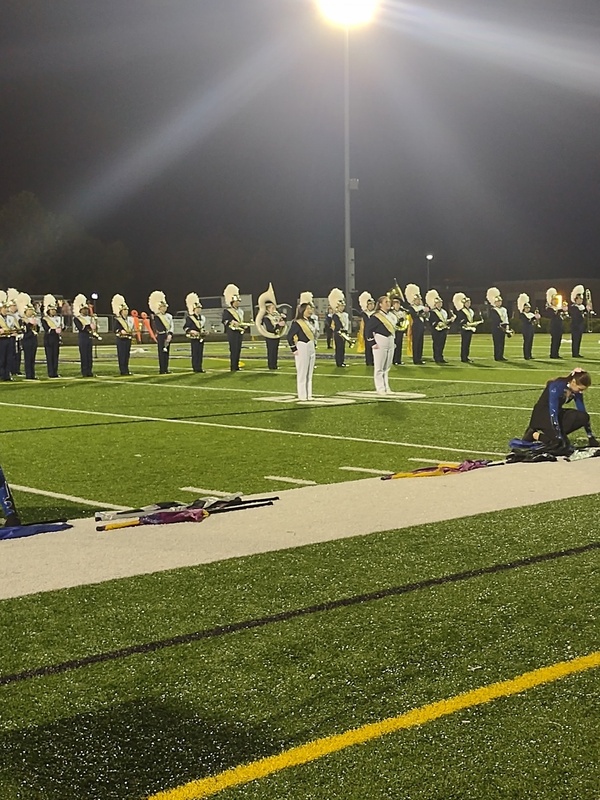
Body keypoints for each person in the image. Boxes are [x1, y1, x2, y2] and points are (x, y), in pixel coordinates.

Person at [522, 369, 599, 452]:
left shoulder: (576, 391)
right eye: (580, 389)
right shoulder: (556, 386)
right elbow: (553, 413)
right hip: (542, 415)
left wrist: (590, 436)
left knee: (583, 417)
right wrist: (559, 436)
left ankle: (554, 436)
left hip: (556, 412)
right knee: (560, 445)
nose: (581, 392)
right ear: (573, 381)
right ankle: (534, 434)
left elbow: (582, 410)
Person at [287, 300, 318, 401]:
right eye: (308, 309)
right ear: (302, 310)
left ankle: (309, 394)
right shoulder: (297, 322)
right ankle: (302, 395)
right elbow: (289, 336)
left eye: (311, 308)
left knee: (310, 373)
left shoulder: (311, 321)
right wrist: (294, 349)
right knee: (302, 372)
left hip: (311, 346)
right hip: (302, 346)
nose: (310, 310)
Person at [366, 295, 396, 394]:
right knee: (379, 367)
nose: (388, 303)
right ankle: (380, 388)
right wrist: (372, 343)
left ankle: (387, 387)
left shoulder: (391, 315)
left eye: (389, 302)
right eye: (386, 302)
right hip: (380, 340)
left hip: (390, 340)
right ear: (380, 305)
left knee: (387, 367)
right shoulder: (376, 316)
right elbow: (368, 330)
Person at [255, 283, 286, 370]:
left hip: (276, 335)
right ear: (268, 309)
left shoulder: (275, 315)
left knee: (275, 350)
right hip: (270, 336)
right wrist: (277, 325)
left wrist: (283, 319)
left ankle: (275, 365)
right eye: (272, 308)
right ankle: (271, 365)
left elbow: (280, 325)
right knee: (271, 351)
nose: (274, 309)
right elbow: (269, 328)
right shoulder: (266, 318)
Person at [73, 294, 100, 377]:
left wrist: (95, 324)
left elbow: (94, 328)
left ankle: (90, 371)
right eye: (84, 309)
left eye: (86, 309)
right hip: (83, 337)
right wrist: (89, 326)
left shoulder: (90, 318)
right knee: (84, 355)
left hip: (89, 337)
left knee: (89, 355)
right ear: (80, 310)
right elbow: (81, 328)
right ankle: (84, 371)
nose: (86, 311)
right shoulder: (77, 318)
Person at [222, 283, 247, 371]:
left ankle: (236, 366)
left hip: (239, 331)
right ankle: (233, 366)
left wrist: (243, 326)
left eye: (238, 302)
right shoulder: (227, 311)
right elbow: (224, 321)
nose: (238, 303)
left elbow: (241, 321)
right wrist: (231, 322)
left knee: (238, 349)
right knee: (233, 349)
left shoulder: (240, 311)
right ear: (232, 302)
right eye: (236, 302)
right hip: (232, 332)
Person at [402, 283, 428, 364]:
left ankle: (419, 358)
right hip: (415, 327)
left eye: (419, 300)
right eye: (417, 300)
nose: (418, 301)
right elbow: (415, 315)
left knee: (420, 343)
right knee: (416, 343)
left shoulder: (421, 307)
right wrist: (423, 310)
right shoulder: (411, 308)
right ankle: (415, 359)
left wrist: (426, 313)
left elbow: (425, 317)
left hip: (421, 326)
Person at [149, 290, 173, 374]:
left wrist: (170, 334)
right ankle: (162, 369)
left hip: (168, 336)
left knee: (167, 353)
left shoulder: (169, 316)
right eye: (163, 307)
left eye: (165, 306)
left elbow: (171, 326)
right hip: (161, 335)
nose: (165, 308)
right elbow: (158, 327)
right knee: (162, 352)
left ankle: (166, 368)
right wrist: (165, 334)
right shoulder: (157, 316)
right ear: (159, 308)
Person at [426, 289, 454, 364]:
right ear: (435, 304)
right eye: (438, 303)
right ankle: (436, 357)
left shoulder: (444, 311)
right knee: (436, 344)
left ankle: (441, 357)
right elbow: (431, 321)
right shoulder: (432, 312)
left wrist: (450, 320)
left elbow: (445, 321)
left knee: (442, 344)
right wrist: (436, 324)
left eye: (440, 303)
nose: (439, 304)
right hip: (436, 330)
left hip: (443, 330)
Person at [453, 293, 482, 363]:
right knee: (465, 343)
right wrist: (464, 323)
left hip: (470, 328)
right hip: (465, 328)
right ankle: (463, 357)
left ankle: (466, 356)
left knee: (468, 343)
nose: (468, 304)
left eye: (469, 302)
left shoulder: (471, 311)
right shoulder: (461, 311)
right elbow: (459, 320)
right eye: (467, 302)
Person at [16, 292, 39, 380]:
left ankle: (32, 374)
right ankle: (28, 374)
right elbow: (23, 331)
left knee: (32, 358)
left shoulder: (34, 319)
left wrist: (35, 325)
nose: (31, 312)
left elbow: (37, 329)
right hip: (27, 340)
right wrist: (30, 329)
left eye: (32, 310)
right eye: (30, 310)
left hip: (33, 340)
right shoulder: (22, 320)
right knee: (28, 358)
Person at [183, 292, 207, 373]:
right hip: (194, 337)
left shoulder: (202, 318)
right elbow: (186, 327)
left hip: (201, 337)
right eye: (197, 308)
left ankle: (199, 367)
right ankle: (195, 367)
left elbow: (202, 327)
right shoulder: (190, 318)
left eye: (200, 308)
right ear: (194, 309)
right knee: (195, 352)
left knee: (200, 353)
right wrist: (191, 331)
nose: (199, 309)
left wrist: (204, 331)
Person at [112, 294, 135, 375]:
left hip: (128, 338)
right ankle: (122, 370)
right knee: (121, 355)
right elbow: (115, 329)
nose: (126, 312)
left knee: (126, 355)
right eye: (124, 310)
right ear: (121, 311)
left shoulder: (129, 320)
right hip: (121, 339)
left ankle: (126, 369)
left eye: (127, 310)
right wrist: (121, 331)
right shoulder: (118, 319)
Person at [486, 287, 511, 361]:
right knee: (497, 342)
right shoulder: (493, 310)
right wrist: (500, 325)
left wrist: (507, 327)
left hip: (503, 326)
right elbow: (495, 320)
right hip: (496, 327)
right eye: (497, 302)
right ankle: (497, 356)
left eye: (500, 301)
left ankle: (501, 355)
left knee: (502, 342)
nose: (499, 303)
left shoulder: (504, 309)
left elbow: (506, 318)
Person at [328, 288, 351, 368]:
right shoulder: (335, 315)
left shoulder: (345, 314)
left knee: (343, 348)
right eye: (340, 306)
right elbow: (335, 325)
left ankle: (342, 361)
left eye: (343, 306)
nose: (342, 308)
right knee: (339, 348)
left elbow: (347, 324)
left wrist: (347, 331)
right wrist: (339, 331)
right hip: (338, 333)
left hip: (344, 332)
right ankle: (339, 362)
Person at [41, 294, 62, 378]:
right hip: (49, 339)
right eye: (52, 310)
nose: (53, 311)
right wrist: (55, 330)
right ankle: (51, 372)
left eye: (54, 310)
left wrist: (62, 328)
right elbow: (47, 329)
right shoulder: (44, 319)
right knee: (50, 356)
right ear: (48, 311)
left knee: (55, 356)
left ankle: (55, 372)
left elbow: (61, 327)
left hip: (56, 339)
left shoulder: (58, 318)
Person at [568, 284, 591, 359]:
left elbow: (584, 314)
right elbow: (576, 315)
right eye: (579, 299)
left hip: (580, 325)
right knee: (575, 339)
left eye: (581, 299)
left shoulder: (581, 307)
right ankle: (574, 353)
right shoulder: (573, 307)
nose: (581, 300)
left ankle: (577, 352)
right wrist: (583, 310)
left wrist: (587, 310)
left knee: (579, 339)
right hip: (575, 325)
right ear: (576, 299)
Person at [544, 287, 567, 360]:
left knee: (559, 340)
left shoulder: (558, 308)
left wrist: (564, 312)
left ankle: (556, 353)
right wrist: (558, 311)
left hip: (559, 325)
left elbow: (563, 317)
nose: (556, 302)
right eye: (554, 300)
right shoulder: (550, 308)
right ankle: (553, 354)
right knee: (554, 340)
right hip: (554, 325)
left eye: (556, 300)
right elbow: (552, 316)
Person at [517, 293, 540, 360]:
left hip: (531, 329)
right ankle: (526, 355)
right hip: (526, 329)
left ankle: (530, 354)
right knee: (526, 341)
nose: (527, 309)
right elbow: (527, 321)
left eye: (528, 308)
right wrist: (533, 318)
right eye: (526, 308)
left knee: (530, 342)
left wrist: (537, 318)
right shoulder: (522, 314)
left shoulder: (531, 314)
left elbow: (534, 321)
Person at [357, 292, 375, 367]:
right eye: (369, 304)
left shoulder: (375, 313)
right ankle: (368, 361)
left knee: (374, 348)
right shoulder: (364, 314)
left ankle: (374, 361)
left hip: (374, 333)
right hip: (367, 332)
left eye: (372, 304)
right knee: (368, 348)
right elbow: (362, 325)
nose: (371, 306)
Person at [390, 297, 407, 365]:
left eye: (398, 304)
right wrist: (397, 322)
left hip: (400, 330)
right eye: (395, 304)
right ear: (393, 305)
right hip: (394, 330)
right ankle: (394, 360)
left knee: (399, 345)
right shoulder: (391, 312)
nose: (397, 305)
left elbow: (405, 320)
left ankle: (398, 359)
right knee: (394, 345)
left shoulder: (402, 312)